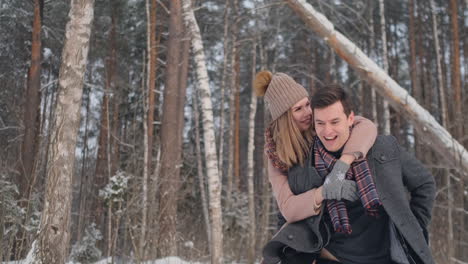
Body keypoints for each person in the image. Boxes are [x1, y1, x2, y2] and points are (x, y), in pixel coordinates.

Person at [286, 84, 435, 264]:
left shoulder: (382, 148)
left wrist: (413, 227)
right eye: (320, 123)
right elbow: (289, 218)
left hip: (390, 258)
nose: (327, 131)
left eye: (334, 122)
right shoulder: (303, 164)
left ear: (350, 119)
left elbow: (424, 183)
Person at [254, 71, 377, 263]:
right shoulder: (276, 153)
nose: (308, 112)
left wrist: (342, 165)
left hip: (345, 234)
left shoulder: (322, 126)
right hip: (302, 234)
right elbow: (288, 208)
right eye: (298, 109)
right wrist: (325, 191)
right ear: (285, 116)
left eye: (307, 104)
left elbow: (366, 126)